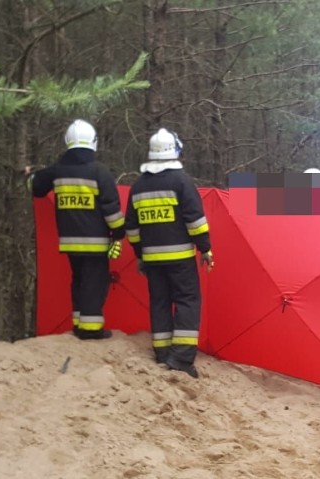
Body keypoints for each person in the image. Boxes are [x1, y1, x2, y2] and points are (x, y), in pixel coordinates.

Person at [125, 128, 213, 379]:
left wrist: (140, 254)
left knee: (160, 302)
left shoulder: (139, 186)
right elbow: (195, 220)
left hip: (152, 260)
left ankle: (163, 353)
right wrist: (205, 248)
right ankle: (182, 358)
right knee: (187, 301)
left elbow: (131, 227)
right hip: (180, 258)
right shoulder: (181, 181)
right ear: (176, 150)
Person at [26, 119, 125, 340]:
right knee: (94, 282)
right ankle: (90, 330)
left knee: (79, 280)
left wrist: (30, 175)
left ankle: (80, 323)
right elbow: (111, 210)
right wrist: (119, 233)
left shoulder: (57, 171)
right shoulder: (100, 172)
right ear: (93, 142)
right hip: (96, 241)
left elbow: (36, 187)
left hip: (69, 241)